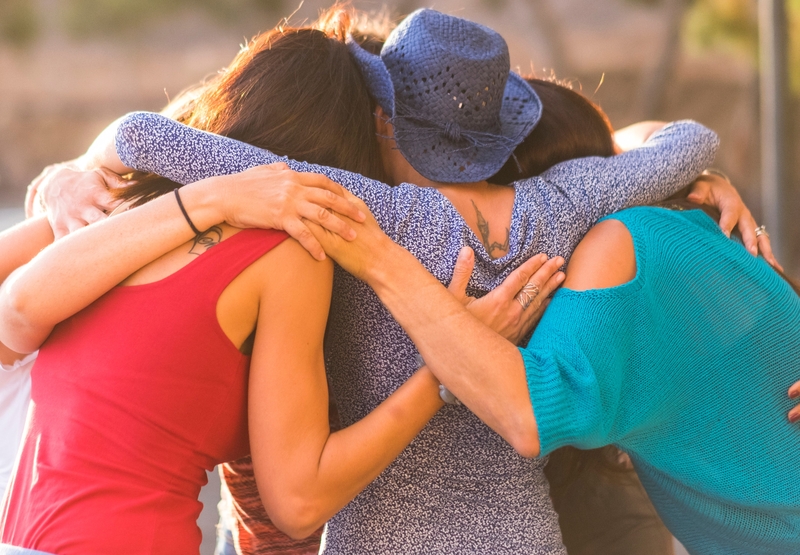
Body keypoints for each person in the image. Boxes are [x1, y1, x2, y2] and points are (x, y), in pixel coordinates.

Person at [22, 9, 765, 554]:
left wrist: (80, 170)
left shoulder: (366, 211)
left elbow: (144, 136)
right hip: (518, 532)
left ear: (387, 121)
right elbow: (687, 138)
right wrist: (705, 176)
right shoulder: (562, 204)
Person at [0, 12, 484, 555]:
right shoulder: (291, 254)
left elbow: (13, 313)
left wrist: (69, 177)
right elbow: (298, 502)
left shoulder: (126, 203)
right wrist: (444, 370)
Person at [304, 91, 800, 554]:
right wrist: (701, 174)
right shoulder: (683, 227)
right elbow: (642, 141)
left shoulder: (617, 249)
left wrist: (379, 259)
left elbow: (529, 414)